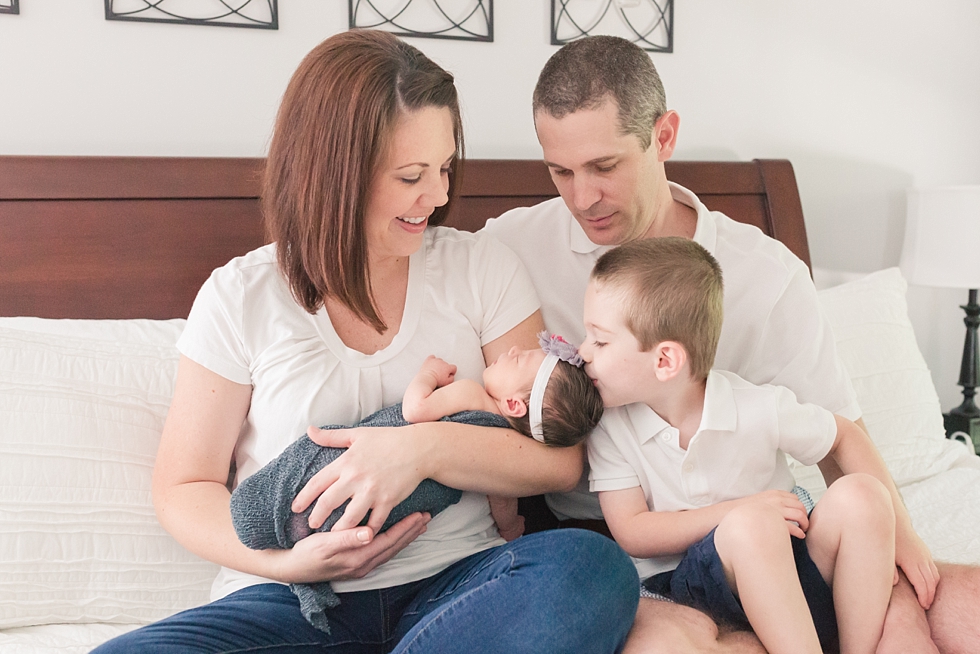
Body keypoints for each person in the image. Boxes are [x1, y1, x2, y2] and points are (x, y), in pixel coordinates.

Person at [92, 30, 638, 653]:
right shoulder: (241, 295)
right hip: (289, 602)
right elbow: (184, 488)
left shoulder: (481, 267)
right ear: (336, 173)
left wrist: (421, 450)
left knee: (590, 570)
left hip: (455, 588)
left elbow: (557, 458)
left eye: (444, 168)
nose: (436, 197)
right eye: (411, 176)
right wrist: (289, 566)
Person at [481, 33, 980, 654]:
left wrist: (899, 561)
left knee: (943, 608)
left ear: (663, 137)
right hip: (621, 552)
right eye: (561, 171)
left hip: (778, 530)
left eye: (604, 167)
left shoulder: (766, 275)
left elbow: (838, 438)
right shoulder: (506, 249)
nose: (582, 198)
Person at [584, 236, 910, 654]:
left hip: (791, 575)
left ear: (665, 361)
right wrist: (739, 510)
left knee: (862, 494)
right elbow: (632, 531)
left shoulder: (756, 405)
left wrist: (906, 535)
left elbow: (844, 434)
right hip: (691, 589)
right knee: (751, 523)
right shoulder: (610, 425)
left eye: (600, 340)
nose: (583, 352)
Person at [228, 333, 602, 629]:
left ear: (515, 406)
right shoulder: (502, 448)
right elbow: (502, 493)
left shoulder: (473, 394)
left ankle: (287, 523)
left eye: (518, 359)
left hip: (412, 534)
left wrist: (428, 375)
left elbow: (415, 411)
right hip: (394, 527)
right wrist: (510, 526)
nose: (512, 350)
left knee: (315, 469)